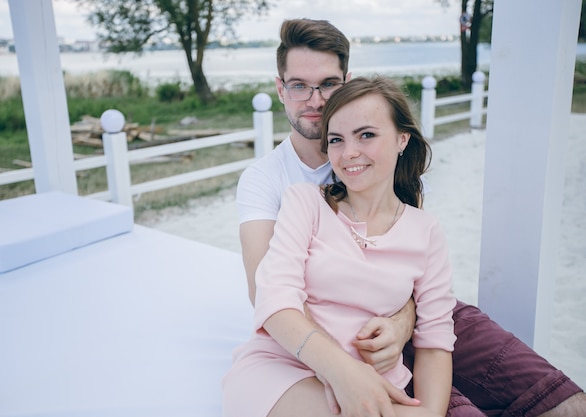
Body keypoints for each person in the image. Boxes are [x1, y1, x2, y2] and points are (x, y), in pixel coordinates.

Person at [234, 18, 585, 417]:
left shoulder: (388, 166)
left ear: (346, 82)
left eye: (328, 84)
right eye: (299, 85)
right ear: (281, 89)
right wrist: (345, 365)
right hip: (326, 341)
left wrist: (402, 324)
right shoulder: (272, 183)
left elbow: (414, 264)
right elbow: (267, 292)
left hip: (413, 317)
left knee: (566, 404)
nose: (314, 100)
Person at [224, 75, 456, 417]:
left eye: (367, 135)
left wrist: (430, 413)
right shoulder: (305, 203)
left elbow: (435, 340)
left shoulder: (426, 230)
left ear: (402, 139)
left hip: (376, 383)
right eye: (336, 139)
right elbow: (274, 298)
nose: (349, 154)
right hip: (283, 372)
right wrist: (343, 372)